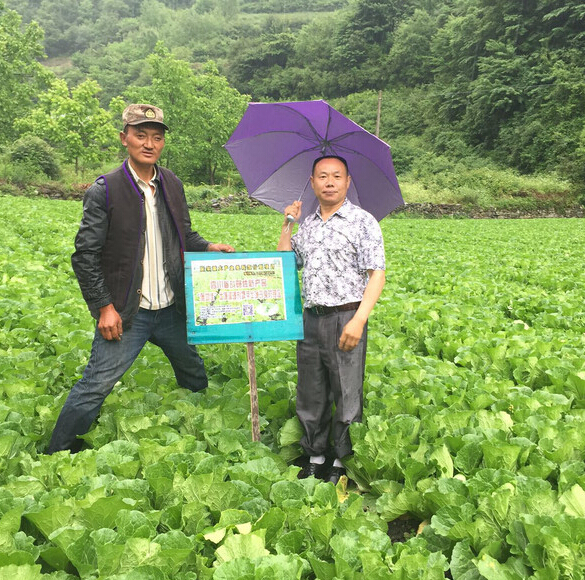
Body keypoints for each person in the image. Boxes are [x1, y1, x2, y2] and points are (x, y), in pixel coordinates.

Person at [47, 103, 234, 454]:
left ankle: (202, 438)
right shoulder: (105, 190)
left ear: (163, 143)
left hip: (170, 308)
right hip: (128, 312)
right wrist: (105, 307)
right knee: (96, 385)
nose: (149, 143)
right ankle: (56, 454)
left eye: (157, 137)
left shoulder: (172, 185)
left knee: (194, 374)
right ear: (125, 139)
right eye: (140, 135)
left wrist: (208, 247)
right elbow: (85, 255)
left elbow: (184, 236)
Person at [277, 155, 386, 484]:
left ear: (347, 182)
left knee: (346, 392)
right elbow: (286, 261)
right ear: (312, 183)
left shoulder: (362, 222)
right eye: (322, 176)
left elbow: (376, 275)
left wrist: (359, 320)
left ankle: (342, 460)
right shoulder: (307, 224)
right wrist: (287, 224)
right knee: (311, 390)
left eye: (336, 176)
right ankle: (315, 454)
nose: (329, 182)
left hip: (346, 317)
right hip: (311, 318)